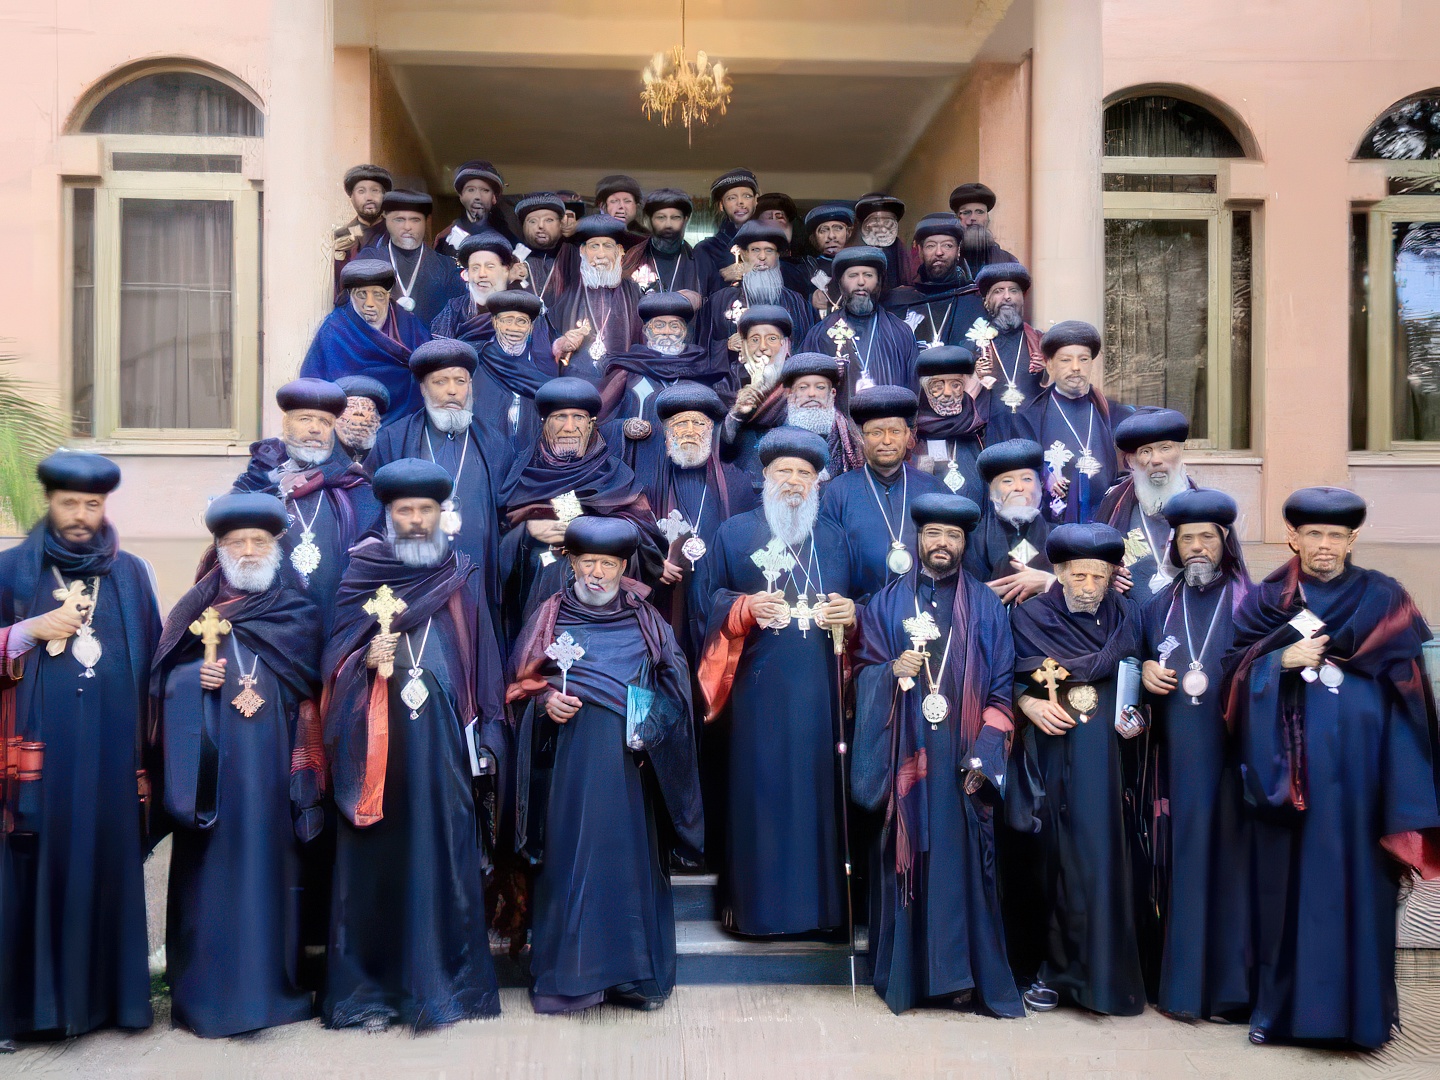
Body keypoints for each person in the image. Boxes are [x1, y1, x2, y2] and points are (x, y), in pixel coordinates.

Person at [1222, 487, 1440, 1050]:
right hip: (1291, 781)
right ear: (1293, 537)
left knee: (1362, 892)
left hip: (1365, 781)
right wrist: (1277, 661)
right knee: (1284, 896)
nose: (1325, 545)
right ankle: (1277, 1013)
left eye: (1337, 536)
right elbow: (1231, 678)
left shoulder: (1385, 599)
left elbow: (1413, 695)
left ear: (1352, 540)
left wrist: (1404, 783)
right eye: (1313, 534)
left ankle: (1364, 1019)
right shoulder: (1267, 601)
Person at [320, 459, 506, 1032]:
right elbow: (330, 660)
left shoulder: (459, 573)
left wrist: (488, 732)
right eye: (406, 511)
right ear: (389, 514)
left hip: (445, 743)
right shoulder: (361, 574)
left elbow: (484, 659)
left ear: (440, 515)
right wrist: (359, 665)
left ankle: (448, 987)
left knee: (444, 856)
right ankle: (371, 994)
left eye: (426, 510)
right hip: (381, 751)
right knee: (378, 865)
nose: (417, 520)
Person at [507, 516, 702, 1014]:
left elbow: (674, 685)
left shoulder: (646, 619)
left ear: (623, 566)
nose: (596, 573)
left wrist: (645, 720)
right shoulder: (549, 614)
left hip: (630, 771)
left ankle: (632, 978)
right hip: (568, 774)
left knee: (628, 869)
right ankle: (571, 979)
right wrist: (546, 702)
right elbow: (518, 686)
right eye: (587, 562)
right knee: (573, 866)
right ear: (570, 563)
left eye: (607, 564)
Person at [0, 452, 160, 1043]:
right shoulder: (12, 569)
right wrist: (27, 631)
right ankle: (24, 1012)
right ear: (50, 502)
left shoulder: (132, 572)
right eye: (69, 502)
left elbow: (155, 660)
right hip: (38, 762)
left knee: (106, 862)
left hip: (114, 758)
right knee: (31, 873)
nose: (80, 514)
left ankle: (111, 1005)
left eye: (91, 504)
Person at [150, 493, 322, 1038]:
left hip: (274, 774)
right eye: (237, 542)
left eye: (260, 541)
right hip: (213, 782)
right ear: (219, 550)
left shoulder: (299, 612)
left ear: (277, 548)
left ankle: (275, 993)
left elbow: (318, 687)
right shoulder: (194, 614)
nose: (248, 551)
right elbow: (157, 685)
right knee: (211, 881)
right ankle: (206, 996)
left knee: (276, 878)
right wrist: (186, 684)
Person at [851, 492, 1022, 1017]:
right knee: (910, 855)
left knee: (963, 865)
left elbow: (1002, 690)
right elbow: (861, 670)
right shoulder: (884, 603)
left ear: (964, 542)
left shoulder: (988, 606)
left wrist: (986, 758)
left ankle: (960, 978)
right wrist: (889, 674)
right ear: (918, 539)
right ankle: (906, 979)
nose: (943, 544)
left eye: (953, 536)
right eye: (933, 535)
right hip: (908, 756)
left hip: (963, 759)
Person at [698, 427, 856, 936]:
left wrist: (849, 613)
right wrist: (743, 607)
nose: (794, 481)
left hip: (818, 689)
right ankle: (756, 911)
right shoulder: (735, 532)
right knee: (760, 792)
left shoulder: (834, 536)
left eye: (805, 474)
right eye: (784, 471)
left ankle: (821, 913)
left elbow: (865, 607)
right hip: (757, 690)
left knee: (816, 791)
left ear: (817, 483)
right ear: (764, 477)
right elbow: (707, 606)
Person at [1009, 522, 1146, 1016]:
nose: (1088, 587)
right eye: (1078, 575)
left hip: (1107, 762)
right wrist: (1026, 704)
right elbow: (1002, 677)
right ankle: (1049, 973)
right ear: (1059, 573)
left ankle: (1105, 979)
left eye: (1098, 576)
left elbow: (1139, 679)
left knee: (1102, 860)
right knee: (1053, 863)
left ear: (1111, 576)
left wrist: (1137, 716)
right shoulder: (1029, 617)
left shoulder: (1128, 617)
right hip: (1049, 758)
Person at [1138, 488, 1253, 1022]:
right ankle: (1181, 993)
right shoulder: (1159, 604)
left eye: (1208, 537)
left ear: (1225, 542)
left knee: (1231, 868)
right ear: (1175, 547)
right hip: (1176, 758)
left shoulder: (1251, 600)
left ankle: (1230, 994)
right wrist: (1142, 674)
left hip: (1234, 756)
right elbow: (1134, 668)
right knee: (1181, 865)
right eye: (1188, 539)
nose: (1198, 547)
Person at [498, 377, 665, 638]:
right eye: (560, 417)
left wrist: (591, 536)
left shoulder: (614, 473)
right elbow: (497, 538)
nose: (569, 427)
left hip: (603, 600)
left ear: (591, 425)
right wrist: (527, 531)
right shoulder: (523, 472)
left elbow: (646, 538)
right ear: (544, 423)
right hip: (533, 594)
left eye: (578, 418)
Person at [366, 339, 512, 619]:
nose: (452, 391)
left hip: (478, 569)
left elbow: (509, 511)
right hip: (413, 573)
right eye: (440, 381)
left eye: (461, 381)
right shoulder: (393, 439)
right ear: (423, 388)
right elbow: (374, 510)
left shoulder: (495, 442)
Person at [230, 379, 380, 620]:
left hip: (337, 614)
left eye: (325, 422)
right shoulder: (259, 482)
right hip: (274, 618)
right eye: (305, 419)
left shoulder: (355, 486)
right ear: (286, 424)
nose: (315, 429)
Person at [639, 383, 757, 663]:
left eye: (698, 424)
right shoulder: (644, 480)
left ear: (712, 432)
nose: (690, 431)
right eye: (680, 424)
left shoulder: (736, 481)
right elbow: (630, 527)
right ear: (666, 435)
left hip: (715, 598)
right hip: (664, 596)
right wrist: (650, 560)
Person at [819, 386, 945, 601]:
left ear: (908, 436)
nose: (886, 441)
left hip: (925, 606)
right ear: (861, 438)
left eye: (895, 431)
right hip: (860, 613)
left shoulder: (934, 490)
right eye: (876, 432)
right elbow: (828, 560)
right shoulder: (838, 492)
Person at [1014, 321, 1132, 525]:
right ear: (1049, 364)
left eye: (1084, 359)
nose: (1076, 368)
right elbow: (1020, 475)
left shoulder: (1115, 413)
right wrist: (1044, 478)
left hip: (1108, 523)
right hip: (1053, 527)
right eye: (1066, 360)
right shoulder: (1029, 418)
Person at [299, 258, 431, 426]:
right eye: (362, 295)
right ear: (350, 296)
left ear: (388, 295)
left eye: (378, 295)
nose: (369, 304)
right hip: (350, 422)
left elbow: (428, 368)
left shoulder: (408, 324)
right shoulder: (334, 329)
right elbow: (313, 382)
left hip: (405, 421)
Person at [434, 288, 557, 453]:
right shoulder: (472, 363)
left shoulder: (543, 367)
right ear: (495, 323)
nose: (514, 328)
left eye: (521, 321)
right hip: (480, 453)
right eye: (507, 320)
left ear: (530, 327)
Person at [1096, 407, 1198, 603]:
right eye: (1146, 451)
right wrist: (1107, 576)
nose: (1156, 460)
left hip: (1186, 616)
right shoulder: (1113, 503)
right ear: (1130, 461)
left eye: (1165, 448)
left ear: (1180, 451)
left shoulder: (1205, 507)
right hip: (1131, 616)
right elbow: (1094, 562)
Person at [598, 290, 733, 437]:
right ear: (646, 330)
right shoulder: (629, 367)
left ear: (684, 331)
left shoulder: (701, 365)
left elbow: (717, 418)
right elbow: (601, 417)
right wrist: (624, 427)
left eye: (674, 326)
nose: (667, 332)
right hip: (640, 451)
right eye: (660, 325)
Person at [720, 352, 863, 489]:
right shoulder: (762, 439)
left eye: (820, 387)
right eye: (803, 387)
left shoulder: (852, 441)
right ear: (790, 394)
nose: (811, 394)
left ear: (832, 394)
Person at [801, 247, 920, 399]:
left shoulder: (900, 331)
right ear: (840, 283)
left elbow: (914, 387)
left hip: (890, 420)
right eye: (853, 275)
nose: (861, 282)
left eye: (868, 275)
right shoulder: (821, 333)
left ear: (879, 282)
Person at [700, 220, 815, 374]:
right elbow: (701, 349)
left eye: (769, 250)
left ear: (777, 256)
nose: (762, 257)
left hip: (783, 387)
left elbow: (807, 349)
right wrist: (725, 345)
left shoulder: (796, 301)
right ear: (744, 254)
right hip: (731, 388)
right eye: (755, 250)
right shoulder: (719, 301)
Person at [547, 214, 644, 382]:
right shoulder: (566, 290)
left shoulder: (634, 292)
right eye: (594, 246)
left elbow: (644, 342)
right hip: (576, 384)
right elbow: (547, 333)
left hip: (623, 382)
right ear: (583, 251)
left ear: (619, 251)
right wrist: (560, 344)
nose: (601, 254)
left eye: (607, 246)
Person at [962, 439, 1054, 604]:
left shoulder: (1058, 537)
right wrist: (982, 593)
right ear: (992, 493)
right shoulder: (975, 539)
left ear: (1040, 487)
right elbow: (964, 591)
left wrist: (1049, 582)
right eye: (1007, 481)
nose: (1018, 487)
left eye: (1027, 479)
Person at [356, 189, 464, 329]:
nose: (407, 227)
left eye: (415, 220)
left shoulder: (446, 268)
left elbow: (459, 320)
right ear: (386, 219)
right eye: (399, 219)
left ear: (427, 221)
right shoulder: (368, 261)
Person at [885, 213, 986, 351]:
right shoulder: (898, 301)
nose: (939, 252)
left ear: (958, 251)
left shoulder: (977, 300)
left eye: (948, 245)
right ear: (920, 251)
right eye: (931, 246)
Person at [965, 263, 1044, 439]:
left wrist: (1047, 374)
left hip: (1033, 440)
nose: (1007, 297)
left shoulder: (1041, 343)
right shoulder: (971, 347)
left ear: (1023, 298)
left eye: (1014, 290)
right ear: (986, 300)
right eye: (999, 291)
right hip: (988, 439)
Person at [910, 345, 986, 498]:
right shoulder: (914, 432)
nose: (947, 393)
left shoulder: (975, 425)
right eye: (937, 386)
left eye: (955, 385)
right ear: (924, 388)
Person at [623, 188, 701, 304]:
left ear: (685, 219)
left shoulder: (700, 261)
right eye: (661, 217)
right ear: (650, 220)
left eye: (675, 217)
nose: (668, 224)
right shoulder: (632, 258)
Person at [331, 164, 392, 303]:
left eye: (375, 191)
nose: (369, 197)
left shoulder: (395, 235)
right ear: (351, 196)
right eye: (361, 191)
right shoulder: (340, 237)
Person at [693, 168, 759, 296]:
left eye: (747, 196)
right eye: (731, 198)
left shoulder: (769, 244)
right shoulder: (707, 249)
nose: (740, 202)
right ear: (721, 205)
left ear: (756, 200)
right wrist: (722, 278)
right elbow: (698, 296)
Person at [435, 159, 515, 258]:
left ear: (493, 198)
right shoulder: (445, 239)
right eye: (471, 190)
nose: (477, 196)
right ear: (461, 196)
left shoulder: (510, 240)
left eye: (485, 190)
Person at [948, 183, 1018, 280]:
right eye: (966, 212)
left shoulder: (1008, 261)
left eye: (980, 212)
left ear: (987, 219)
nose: (973, 218)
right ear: (956, 219)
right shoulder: (946, 259)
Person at [513, 193, 570, 309]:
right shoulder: (511, 261)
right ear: (522, 226)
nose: (540, 226)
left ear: (561, 224)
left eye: (549, 220)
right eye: (532, 221)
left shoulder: (575, 260)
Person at [799, 204, 855, 316]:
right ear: (814, 238)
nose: (831, 236)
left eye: (838, 228)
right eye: (823, 230)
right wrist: (810, 300)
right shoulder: (804, 269)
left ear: (848, 232)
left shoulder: (859, 264)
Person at [753, 191, 812, 297]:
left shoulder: (809, 266)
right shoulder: (743, 265)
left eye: (780, 218)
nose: (775, 224)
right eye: (769, 219)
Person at [853, 192, 915, 289]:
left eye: (887, 222)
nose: (882, 229)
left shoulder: (902, 257)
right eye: (875, 221)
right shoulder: (852, 256)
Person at [333, 376, 389, 462]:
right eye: (351, 406)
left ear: (377, 419)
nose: (359, 413)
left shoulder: (386, 454)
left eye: (368, 408)